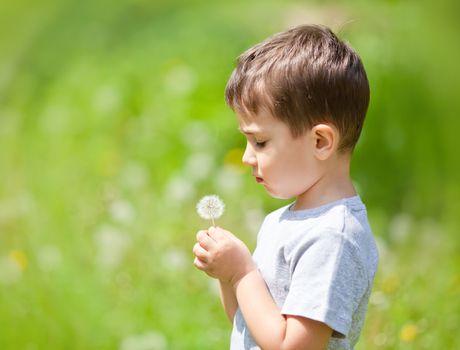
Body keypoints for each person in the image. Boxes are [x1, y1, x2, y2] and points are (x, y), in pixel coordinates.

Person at [192, 24, 379, 350]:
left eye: (261, 142)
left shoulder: (333, 237)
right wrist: (228, 276)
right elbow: (247, 324)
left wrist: (241, 274)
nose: (248, 157)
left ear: (320, 141)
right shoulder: (282, 221)